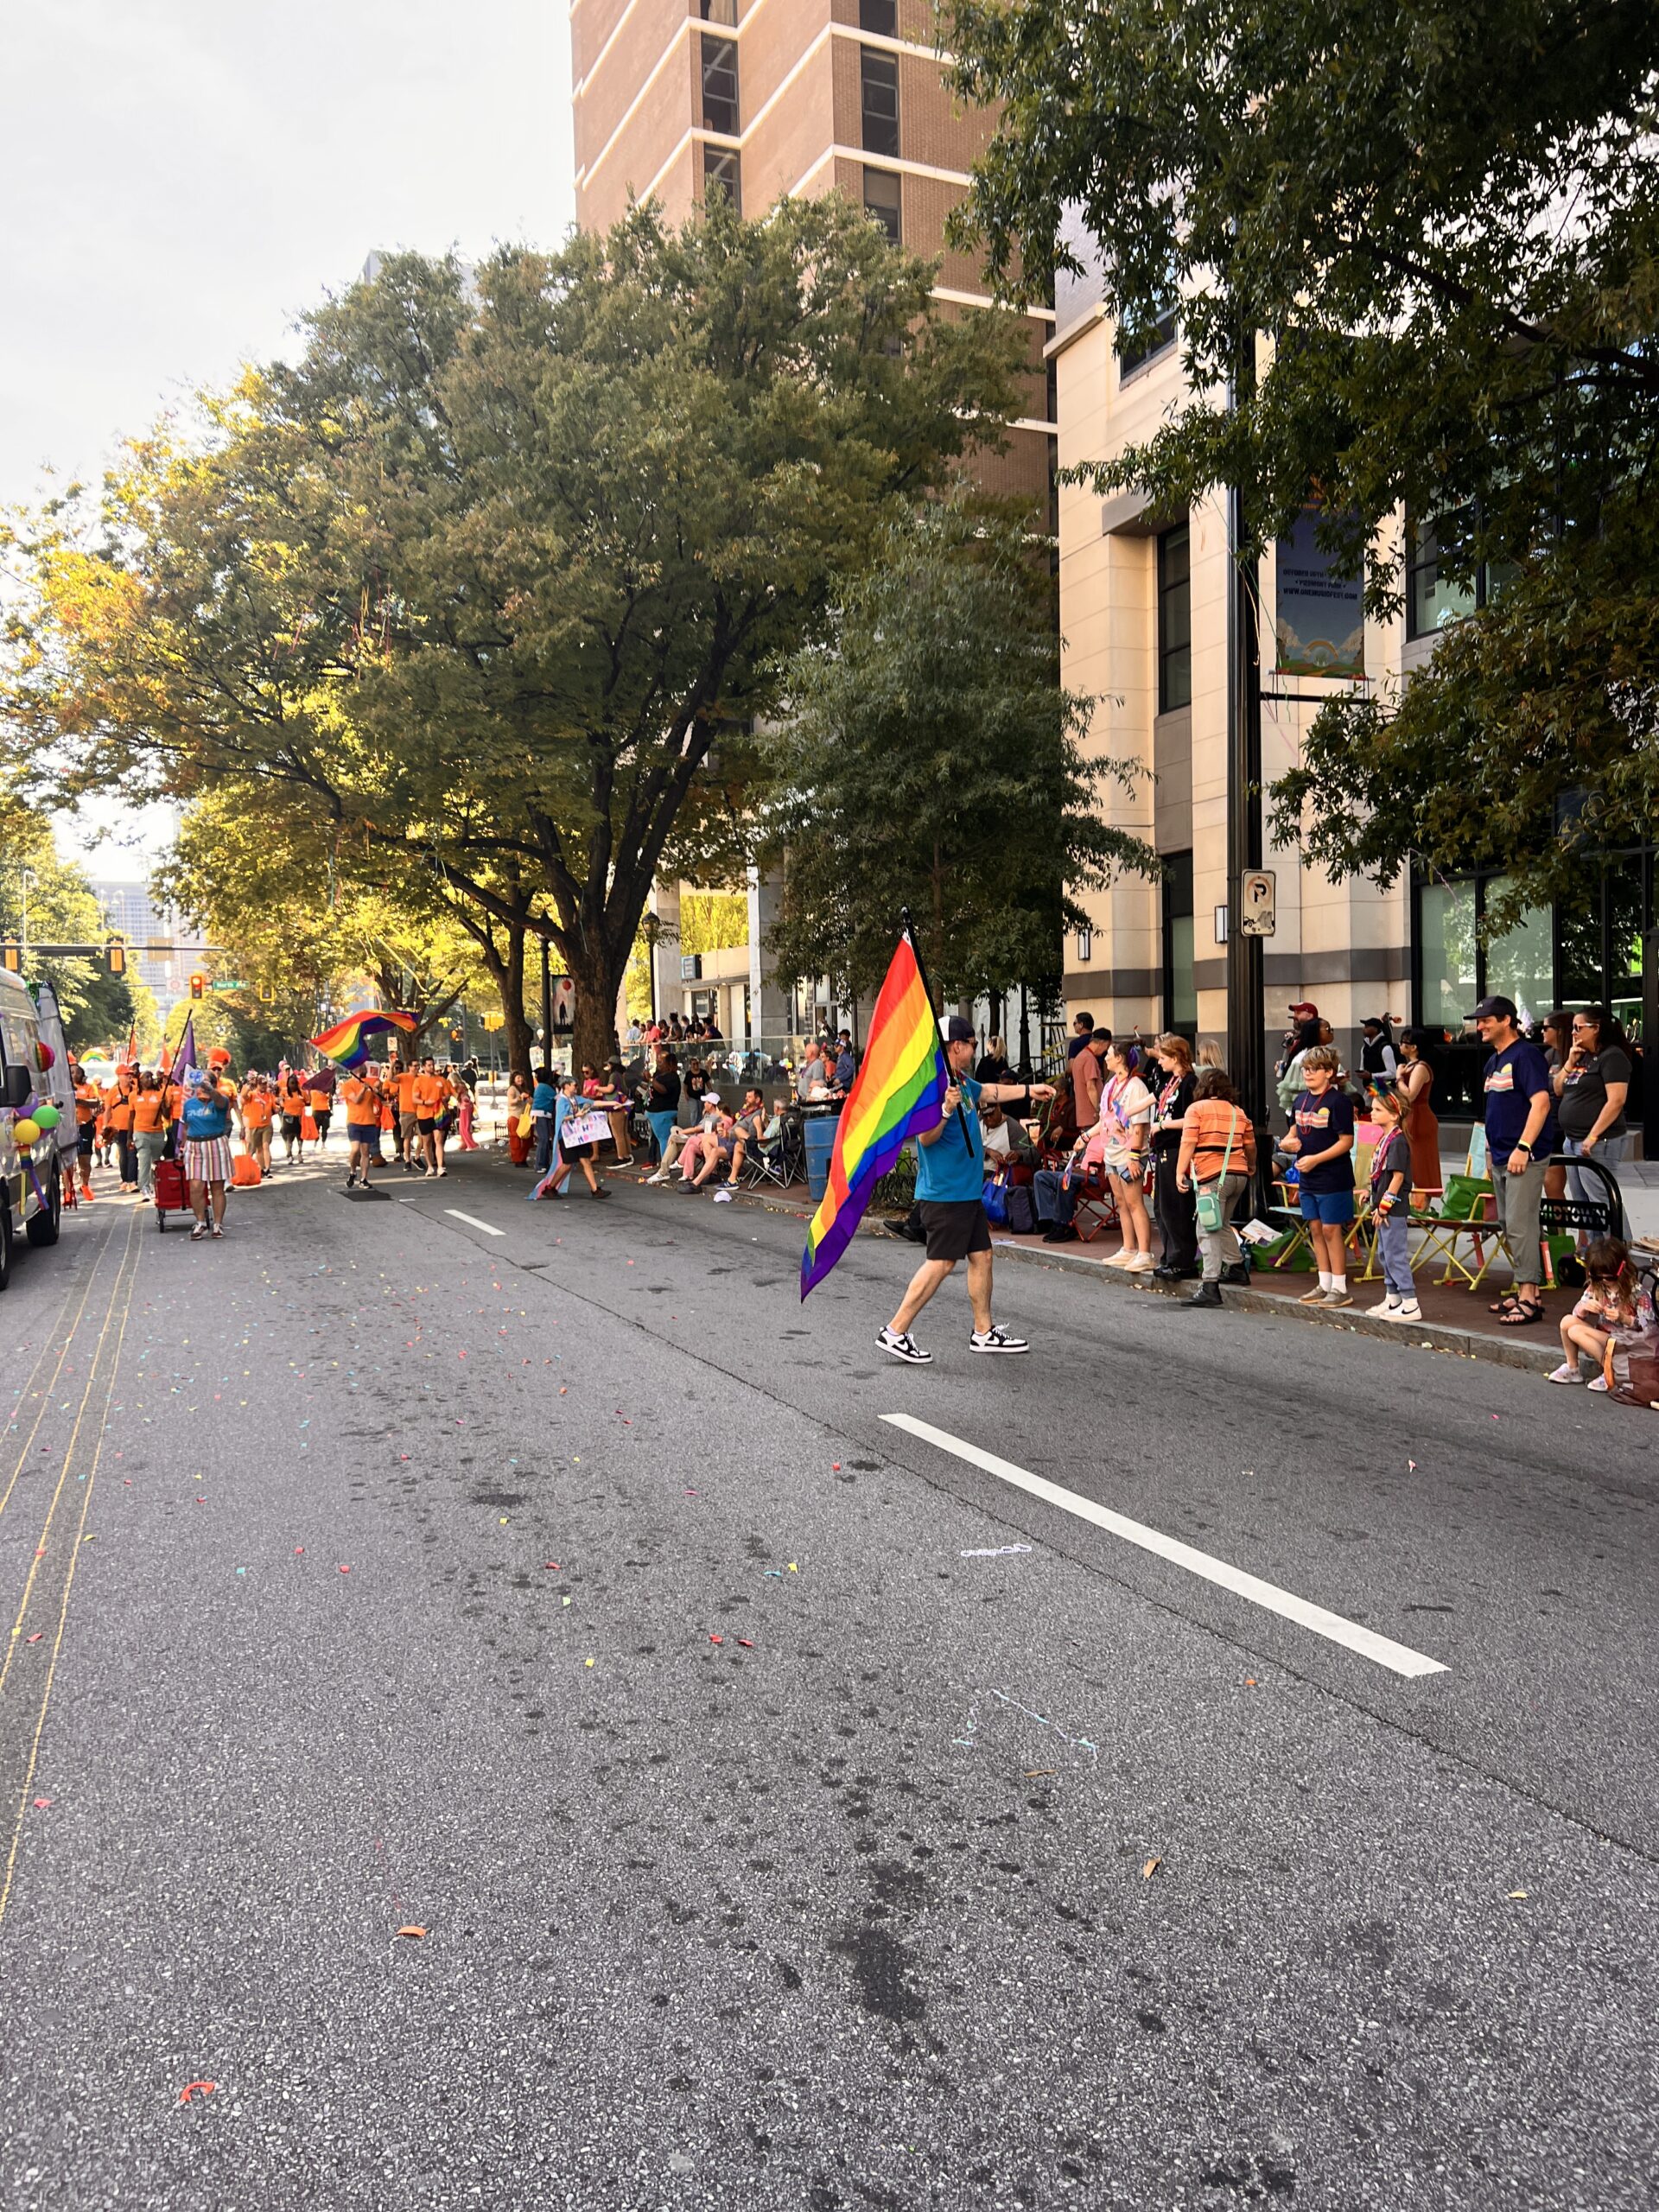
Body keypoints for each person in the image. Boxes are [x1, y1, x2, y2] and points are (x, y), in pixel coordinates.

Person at [876, 1016, 1054, 1363]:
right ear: (956, 1045)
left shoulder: (959, 1080)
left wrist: (1031, 1091)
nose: (975, 1048)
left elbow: (991, 1091)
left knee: (982, 1256)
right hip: (945, 1193)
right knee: (941, 1263)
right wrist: (945, 1108)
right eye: (972, 1042)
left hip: (966, 1192)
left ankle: (983, 1332)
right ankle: (895, 1331)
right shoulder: (933, 1086)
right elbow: (926, 1138)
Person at [1472, 993, 1555, 1327]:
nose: (1480, 1026)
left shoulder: (1526, 1056)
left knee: (1521, 1225)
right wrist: (1493, 1152)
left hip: (1525, 1154)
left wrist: (1524, 1146)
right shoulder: (1493, 1061)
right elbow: (1497, 1111)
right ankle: (1528, 1293)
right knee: (1509, 1224)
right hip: (1503, 1155)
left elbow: (1541, 1104)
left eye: (1486, 1020)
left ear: (1506, 1020)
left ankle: (1528, 1297)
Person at [1280, 1044, 1357, 1306]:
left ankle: (1340, 1286)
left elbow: (1347, 1141)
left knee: (1331, 1228)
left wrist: (1315, 1159)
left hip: (1334, 1176)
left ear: (1329, 1072)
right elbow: (1292, 1132)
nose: (1308, 1074)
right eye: (1306, 1070)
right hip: (1307, 1177)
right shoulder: (1300, 1100)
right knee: (1314, 1227)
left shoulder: (1340, 1101)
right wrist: (1286, 1144)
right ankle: (1324, 1283)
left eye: (1314, 1070)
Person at [1175, 1066, 1257, 1306]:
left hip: (1211, 1175)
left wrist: (1180, 1171)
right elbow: (1250, 1146)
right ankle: (1236, 1268)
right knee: (1222, 1224)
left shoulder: (1196, 1110)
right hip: (1238, 1175)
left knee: (1207, 1227)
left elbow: (1188, 1143)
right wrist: (1249, 1166)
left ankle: (1210, 1285)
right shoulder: (1238, 1112)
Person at [1554, 1008, 1633, 1222]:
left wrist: (1593, 1136)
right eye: (1572, 1028)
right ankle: (1596, 1253)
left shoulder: (1612, 1056)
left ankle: (1619, 1250)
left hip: (1598, 1142)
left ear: (1596, 1028)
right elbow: (1558, 1088)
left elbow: (1616, 1100)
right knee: (1583, 1204)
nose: (1573, 1033)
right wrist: (1570, 1062)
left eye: (1578, 1028)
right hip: (1572, 1140)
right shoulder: (1582, 1057)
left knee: (1601, 1201)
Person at [1548, 1236, 1651, 1387]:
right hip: (1605, 1337)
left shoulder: (1637, 1293)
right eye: (1597, 1276)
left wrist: (1624, 1318)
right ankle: (1572, 1368)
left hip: (1628, 1342)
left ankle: (1612, 1373)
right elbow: (1576, 1314)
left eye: (1608, 1277)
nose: (1603, 1280)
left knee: (1576, 1331)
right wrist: (1585, 1306)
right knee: (1567, 1322)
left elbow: (1649, 1328)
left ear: (1621, 1269)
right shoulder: (1597, 1287)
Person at [1363, 1087, 1421, 1321]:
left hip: (1393, 1209)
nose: (1372, 1112)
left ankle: (1410, 1302)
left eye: (1378, 1109)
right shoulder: (1387, 1139)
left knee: (1395, 1254)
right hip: (1385, 1207)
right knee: (1385, 1255)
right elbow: (1382, 1175)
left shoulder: (1397, 1142)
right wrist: (1371, 1195)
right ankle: (1393, 1297)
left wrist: (1384, 1206)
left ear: (1394, 1115)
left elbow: (1397, 1177)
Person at [1149, 1033, 1200, 1281]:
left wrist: (1164, 1126)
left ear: (1176, 1057)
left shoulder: (1190, 1083)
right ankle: (1170, 1256)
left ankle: (1183, 1260)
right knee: (1161, 1207)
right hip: (1163, 1149)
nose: (1159, 1062)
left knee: (1177, 1207)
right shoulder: (1171, 1081)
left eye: (1163, 1058)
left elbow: (1191, 1119)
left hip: (1177, 1148)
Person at [181, 1068, 234, 1240]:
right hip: (195, 1145)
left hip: (215, 1143)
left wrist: (210, 1090)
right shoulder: (189, 1104)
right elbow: (185, 1125)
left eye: (206, 1082)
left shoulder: (220, 1101)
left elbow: (220, 1101)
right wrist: (182, 1146)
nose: (202, 1087)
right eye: (200, 1083)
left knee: (217, 1187)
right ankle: (200, 1222)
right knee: (195, 1186)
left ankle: (218, 1225)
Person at [1395, 1028, 1441, 1199]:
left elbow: (1410, 1095)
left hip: (1419, 1116)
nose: (1400, 1045)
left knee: (1420, 1163)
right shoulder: (1408, 1066)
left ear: (1414, 1047)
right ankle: (1411, 1204)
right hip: (1407, 1115)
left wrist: (1399, 1078)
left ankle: (1420, 1206)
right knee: (1407, 1161)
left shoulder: (1421, 1067)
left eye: (1403, 1042)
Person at [340, 1064, 385, 1189]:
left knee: (366, 1152)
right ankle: (353, 1171)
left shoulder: (369, 1083)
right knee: (355, 1150)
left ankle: (364, 1179)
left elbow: (379, 1098)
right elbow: (356, 1100)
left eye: (365, 1068)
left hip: (369, 1121)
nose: (365, 1070)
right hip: (354, 1121)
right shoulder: (347, 1085)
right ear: (355, 1070)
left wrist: (377, 1090)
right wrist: (364, 1089)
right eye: (362, 1068)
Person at [131, 1071, 168, 1198]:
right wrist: (128, 1137)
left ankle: (156, 1184)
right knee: (144, 1160)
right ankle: (145, 1187)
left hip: (157, 1133)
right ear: (140, 1080)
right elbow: (131, 1117)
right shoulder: (133, 1095)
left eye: (151, 1077)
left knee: (156, 1161)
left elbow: (167, 1115)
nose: (149, 1079)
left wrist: (164, 1106)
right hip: (141, 1132)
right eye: (146, 1077)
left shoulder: (160, 1094)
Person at [645, 1046, 681, 1168]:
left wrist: (652, 1080)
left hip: (662, 1112)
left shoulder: (672, 1077)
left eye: (662, 1062)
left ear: (669, 1064)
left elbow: (663, 1090)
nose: (659, 1064)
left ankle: (665, 1166)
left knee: (664, 1140)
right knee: (658, 1140)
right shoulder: (659, 1075)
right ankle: (659, 1162)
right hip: (655, 1112)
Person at [1069, 1025, 1109, 1133]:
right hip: (1091, 1116)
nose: (1106, 1051)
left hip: (1084, 1114)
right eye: (1107, 1046)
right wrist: (1098, 1109)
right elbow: (1091, 1087)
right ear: (1102, 1043)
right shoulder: (1089, 1059)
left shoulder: (1082, 1056)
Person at [412, 1056, 448, 1176]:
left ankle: (440, 1167)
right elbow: (414, 1098)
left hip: (438, 1113)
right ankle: (430, 1166)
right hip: (424, 1114)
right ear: (423, 1067)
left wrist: (445, 1098)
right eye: (429, 1065)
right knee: (427, 1142)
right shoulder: (419, 1081)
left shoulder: (441, 1080)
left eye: (432, 1064)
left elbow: (447, 1095)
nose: (431, 1067)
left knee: (439, 1140)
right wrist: (424, 1102)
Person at [239, 1073, 274, 1179]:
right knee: (259, 1149)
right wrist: (249, 1085)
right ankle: (262, 1169)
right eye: (261, 1084)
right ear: (257, 1085)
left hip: (267, 1125)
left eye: (265, 1084)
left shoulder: (269, 1095)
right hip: (254, 1126)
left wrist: (278, 1105)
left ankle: (268, 1169)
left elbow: (275, 1106)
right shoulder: (252, 1094)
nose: (263, 1086)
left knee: (266, 1146)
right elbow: (244, 1096)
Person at [72, 1067, 99, 1200]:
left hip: (85, 1127)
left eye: (77, 1072)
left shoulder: (89, 1087)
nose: (74, 1074)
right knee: (68, 1160)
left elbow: (95, 1102)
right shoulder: (65, 1088)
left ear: (82, 1075)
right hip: (68, 1128)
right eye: (71, 1072)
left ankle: (85, 1185)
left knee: (85, 1160)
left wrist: (80, 1102)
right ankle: (69, 1186)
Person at [530, 1065, 558, 1178]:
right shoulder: (545, 1088)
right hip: (542, 1114)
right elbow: (557, 1097)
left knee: (544, 1139)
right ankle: (541, 1164)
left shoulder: (540, 1087)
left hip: (542, 1115)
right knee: (544, 1139)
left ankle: (544, 1164)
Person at [1359, 1017, 1398, 1096]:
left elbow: (1392, 1073)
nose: (1364, 1029)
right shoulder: (1365, 1047)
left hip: (1383, 1087)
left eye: (1367, 1027)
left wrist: (1371, 1076)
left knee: (1380, 1106)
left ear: (1376, 1030)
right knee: (1366, 1106)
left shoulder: (1385, 1048)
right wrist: (1362, 1073)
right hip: (1369, 1087)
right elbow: (1362, 1067)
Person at [505, 1070, 533, 1166]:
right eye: (518, 1078)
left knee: (526, 1138)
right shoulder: (512, 1089)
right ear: (514, 1080)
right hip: (515, 1116)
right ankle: (517, 1159)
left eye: (521, 1077)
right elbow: (510, 1102)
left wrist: (530, 1100)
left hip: (524, 1117)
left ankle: (523, 1158)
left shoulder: (524, 1089)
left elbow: (530, 1101)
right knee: (516, 1139)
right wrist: (520, 1098)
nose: (520, 1079)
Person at [278, 1071, 307, 1165]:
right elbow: (280, 1101)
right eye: (291, 1083)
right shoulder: (284, 1092)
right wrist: (281, 1102)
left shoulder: (302, 1092)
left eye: (295, 1083)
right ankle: (289, 1154)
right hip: (288, 1117)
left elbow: (308, 1101)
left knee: (300, 1137)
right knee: (289, 1137)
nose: (293, 1085)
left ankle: (300, 1153)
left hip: (299, 1118)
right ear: (288, 1084)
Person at [307, 1066, 334, 1149]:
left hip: (325, 1109)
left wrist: (331, 1108)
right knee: (316, 1128)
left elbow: (330, 1098)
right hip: (316, 1110)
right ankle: (316, 1141)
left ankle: (323, 1143)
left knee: (325, 1128)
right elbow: (309, 1098)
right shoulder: (312, 1088)